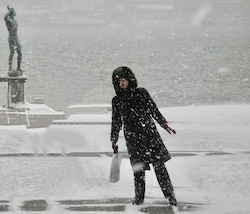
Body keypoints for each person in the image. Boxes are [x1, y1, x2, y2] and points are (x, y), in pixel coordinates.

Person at [110, 66, 178, 206]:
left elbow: (153, 110)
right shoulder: (117, 100)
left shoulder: (141, 93)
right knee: (138, 170)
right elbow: (116, 121)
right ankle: (139, 198)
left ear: (130, 80)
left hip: (149, 135)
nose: (122, 83)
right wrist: (114, 138)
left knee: (160, 168)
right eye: (119, 81)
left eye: (124, 80)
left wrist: (164, 124)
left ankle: (170, 196)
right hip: (132, 138)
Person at [4, 6, 23, 72]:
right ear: (12, 13)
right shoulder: (9, 21)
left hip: (16, 38)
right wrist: (9, 11)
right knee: (12, 53)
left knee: (20, 53)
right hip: (11, 38)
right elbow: (5, 18)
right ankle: (10, 68)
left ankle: (18, 68)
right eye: (14, 11)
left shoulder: (16, 21)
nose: (15, 12)